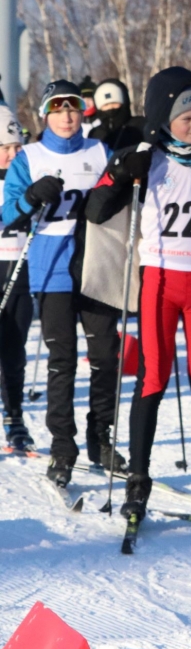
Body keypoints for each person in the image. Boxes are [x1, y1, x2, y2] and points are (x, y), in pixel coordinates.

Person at [85, 68, 191, 524]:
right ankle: (137, 482)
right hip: (159, 281)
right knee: (153, 379)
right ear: (164, 117)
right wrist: (121, 172)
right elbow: (96, 210)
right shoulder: (145, 155)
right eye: (186, 118)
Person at [1, 81, 124, 484]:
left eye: (73, 108)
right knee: (62, 361)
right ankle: (62, 447)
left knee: (106, 354)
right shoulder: (30, 157)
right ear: (45, 115)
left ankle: (100, 436)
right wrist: (32, 197)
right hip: (51, 267)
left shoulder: (97, 150)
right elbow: (7, 216)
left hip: (94, 263)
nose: (67, 116)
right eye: (58, 109)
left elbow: (117, 199)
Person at [0, 105, 34, 453]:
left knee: (14, 349)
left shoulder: (26, 178)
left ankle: (14, 417)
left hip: (20, 270)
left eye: (16, 147)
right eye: (4, 148)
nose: (12, 154)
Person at [88, 79, 145, 152]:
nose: (111, 108)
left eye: (115, 103)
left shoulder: (139, 125)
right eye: (106, 105)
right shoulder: (95, 133)